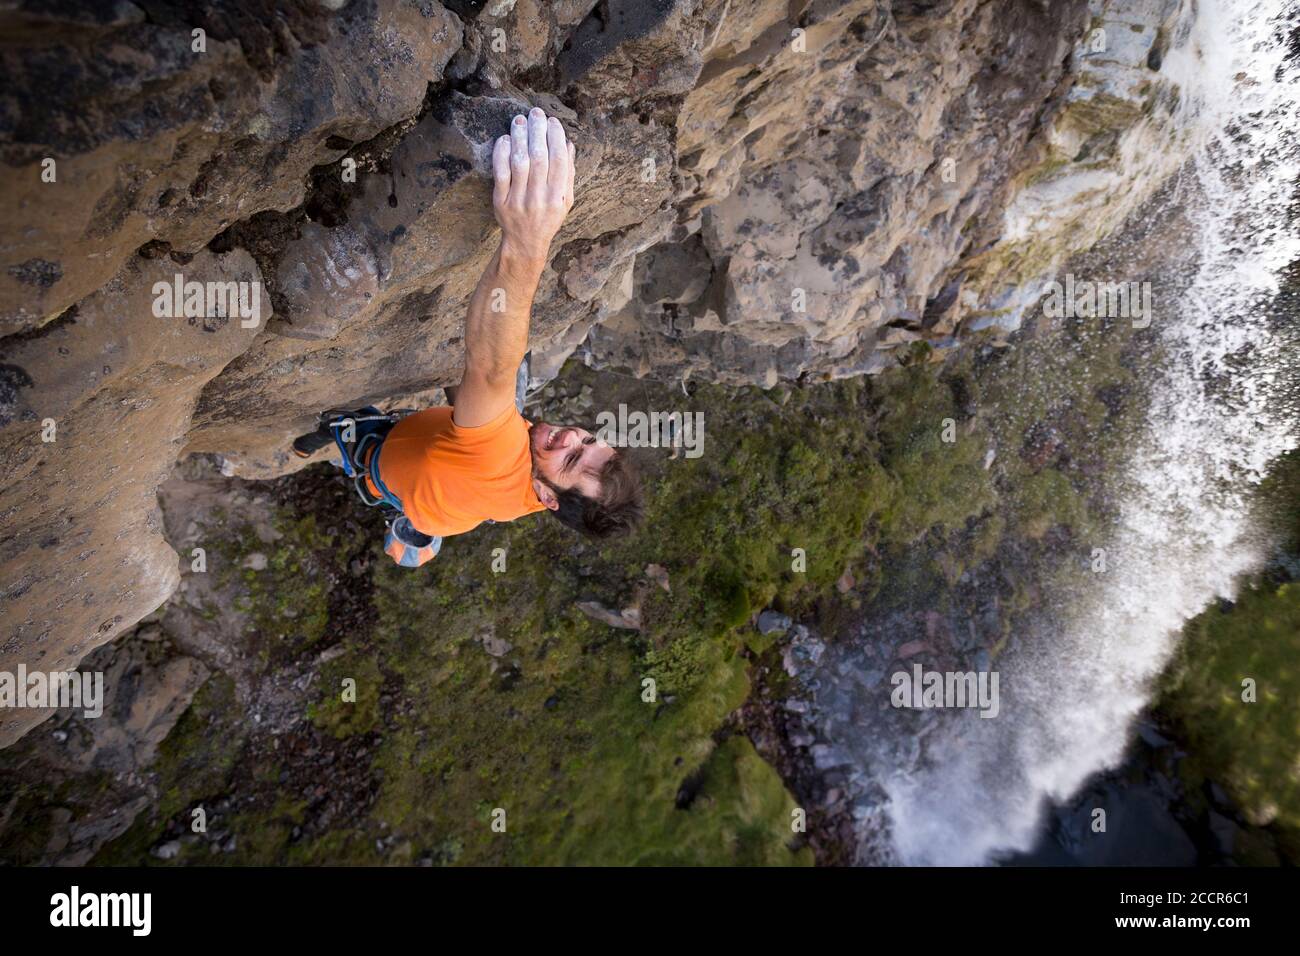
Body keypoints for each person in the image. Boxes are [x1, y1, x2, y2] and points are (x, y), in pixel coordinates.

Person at [292, 108, 643, 567]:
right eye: (589, 440)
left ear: (547, 496)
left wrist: (528, 239)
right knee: (466, 445)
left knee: (353, 432)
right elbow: (477, 392)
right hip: (445, 506)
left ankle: (325, 442)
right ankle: (406, 519)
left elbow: (491, 369)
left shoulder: (499, 460)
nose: (570, 437)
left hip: (385, 465)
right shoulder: (533, 495)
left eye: (572, 460)